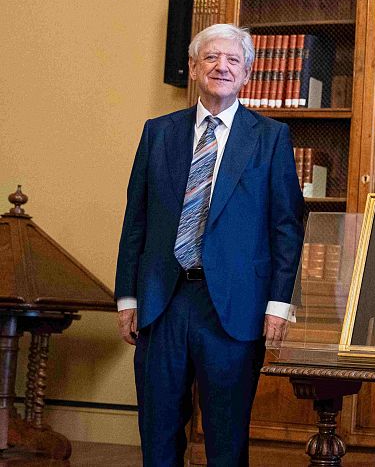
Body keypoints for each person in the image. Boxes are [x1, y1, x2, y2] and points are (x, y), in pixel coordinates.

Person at [114, 23, 304, 465]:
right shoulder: (158, 132)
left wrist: (278, 304)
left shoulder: (271, 138)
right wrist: (127, 295)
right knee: (158, 434)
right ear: (195, 67)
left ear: (247, 74)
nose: (222, 66)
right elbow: (136, 219)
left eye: (233, 60)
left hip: (235, 308)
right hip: (163, 300)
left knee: (226, 439)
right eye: (212, 58)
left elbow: (286, 227)